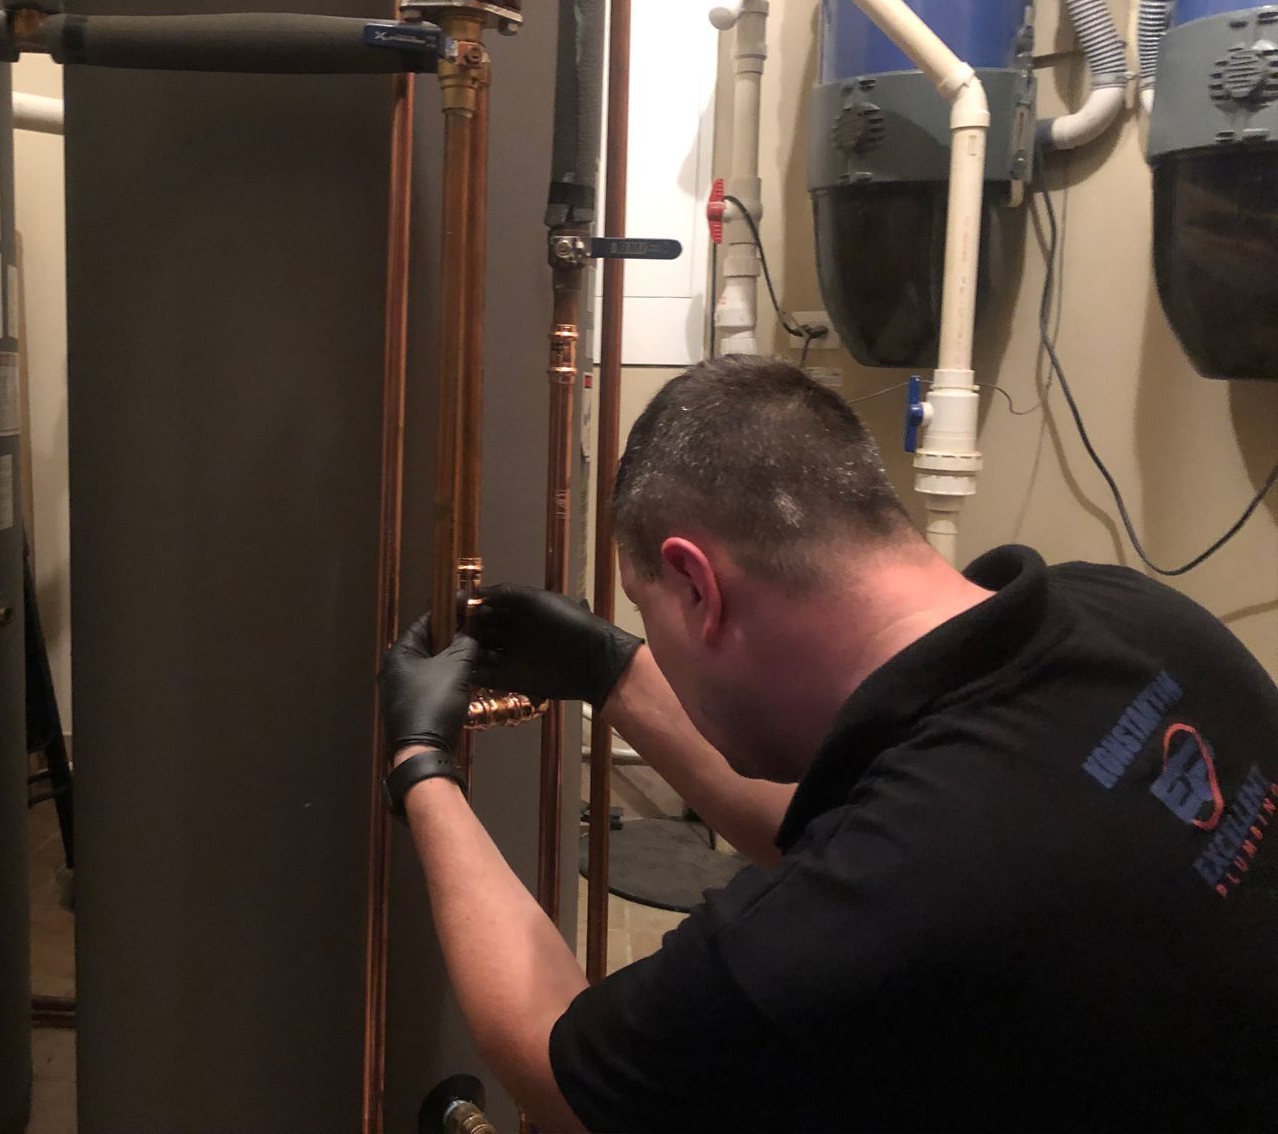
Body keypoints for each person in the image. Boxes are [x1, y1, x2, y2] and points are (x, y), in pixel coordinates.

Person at [378, 356, 1278, 1133]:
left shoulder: (872, 909)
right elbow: (851, 842)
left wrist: (423, 764)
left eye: (644, 609)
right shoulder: (1135, 614)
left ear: (697, 584)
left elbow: (559, 1056)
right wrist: (611, 669)